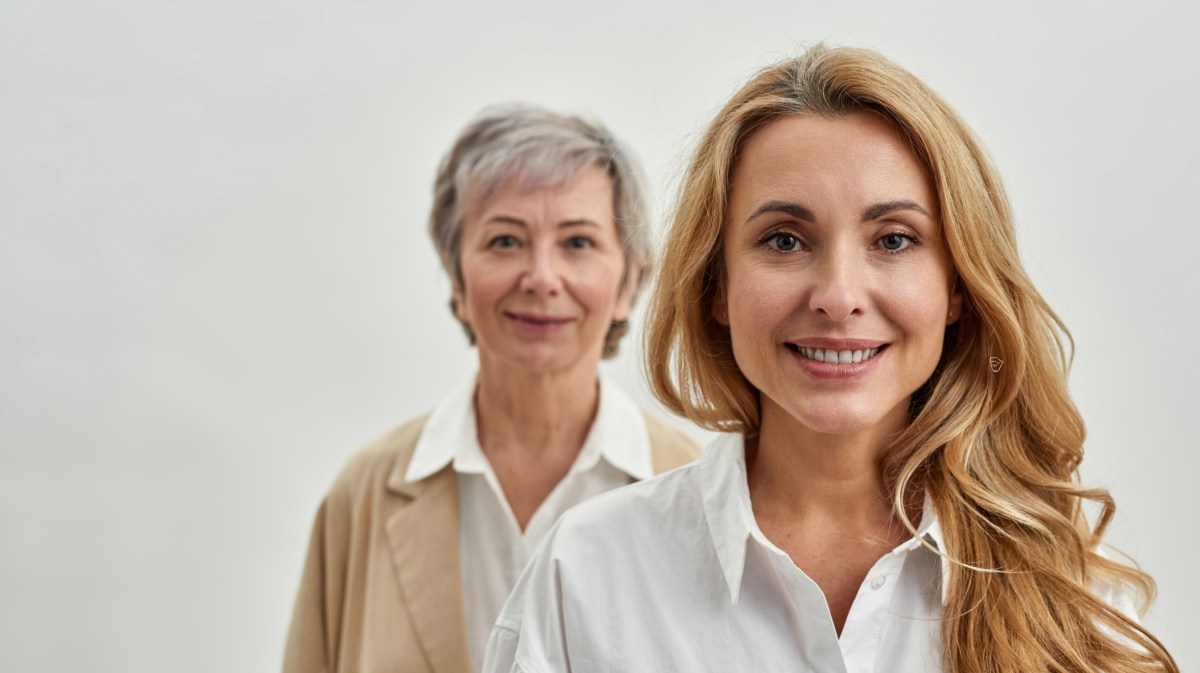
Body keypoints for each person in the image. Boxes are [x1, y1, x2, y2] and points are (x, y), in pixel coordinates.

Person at [482, 46, 1178, 673]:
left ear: (959, 287)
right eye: (785, 240)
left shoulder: (1073, 589)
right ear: (716, 285)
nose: (840, 296)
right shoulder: (586, 575)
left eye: (895, 239)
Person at [283, 104, 701, 673]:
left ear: (630, 281)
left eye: (578, 243)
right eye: (506, 241)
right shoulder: (362, 497)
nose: (542, 278)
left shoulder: (702, 494)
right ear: (456, 277)